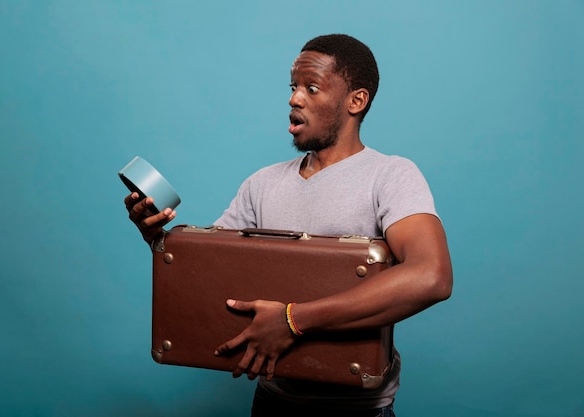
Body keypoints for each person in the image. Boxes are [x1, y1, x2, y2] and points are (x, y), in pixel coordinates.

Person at [124, 34, 453, 417]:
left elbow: (432, 276)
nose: (294, 99)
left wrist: (293, 321)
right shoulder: (261, 183)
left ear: (356, 101)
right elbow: (212, 277)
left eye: (312, 88)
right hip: (272, 403)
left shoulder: (390, 176)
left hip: (358, 411)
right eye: (293, 87)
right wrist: (159, 240)